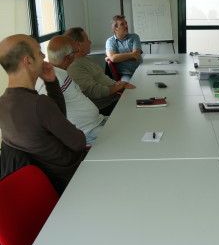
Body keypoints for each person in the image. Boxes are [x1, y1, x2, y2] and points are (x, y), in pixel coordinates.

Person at [0, 34, 86, 194]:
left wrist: (51, 82)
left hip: (46, 182)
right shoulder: (38, 104)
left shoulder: (3, 103)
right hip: (73, 177)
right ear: (28, 61)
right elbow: (79, 142)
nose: (44, 56)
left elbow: (55, 118)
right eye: (39, 52)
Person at [36, 35, 107, 147]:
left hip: (97, 121)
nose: (76, 54)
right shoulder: (51, 78)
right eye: (75, 51)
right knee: (128, 137)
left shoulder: (60, 73)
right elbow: (48, 112)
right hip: (87, 132)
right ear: (68, 57)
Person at [65, 27, 135, 116]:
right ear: (78, 44)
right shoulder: (74, 66)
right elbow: (93, 91)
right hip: (105, 106)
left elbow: (104, 80)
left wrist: (121, 84)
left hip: (114, 98)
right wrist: (119, 86)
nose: (90, 42)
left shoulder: (87, 59)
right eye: (87, 40)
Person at [105, 15, 143, 81]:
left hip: (141, 70)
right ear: (115, 28)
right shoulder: (110, 41)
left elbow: (137, 56)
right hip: (125, 74)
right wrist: (132, 54)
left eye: (126, 23)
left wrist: (118, 57)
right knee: (128, 89)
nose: (126, 26)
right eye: (122, 24)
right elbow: (113, 58)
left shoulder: (134, 37)